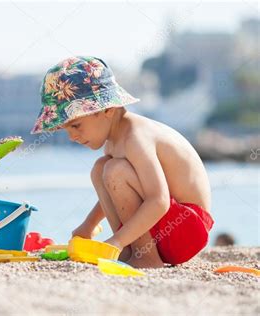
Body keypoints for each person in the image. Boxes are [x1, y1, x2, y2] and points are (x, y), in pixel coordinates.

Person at [31, 56, 214, 268]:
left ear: (107, 110)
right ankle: (132, 250)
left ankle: (146, 256)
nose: (72, 137)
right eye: (66, 129)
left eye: (76, 126)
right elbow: (120, 190)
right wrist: (88, 225)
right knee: (100, 169)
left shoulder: (136, 137)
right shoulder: (115, 140)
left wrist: (114, 241)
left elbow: (159, 200)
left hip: (186, 229)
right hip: (166, 228)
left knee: (114, 170)